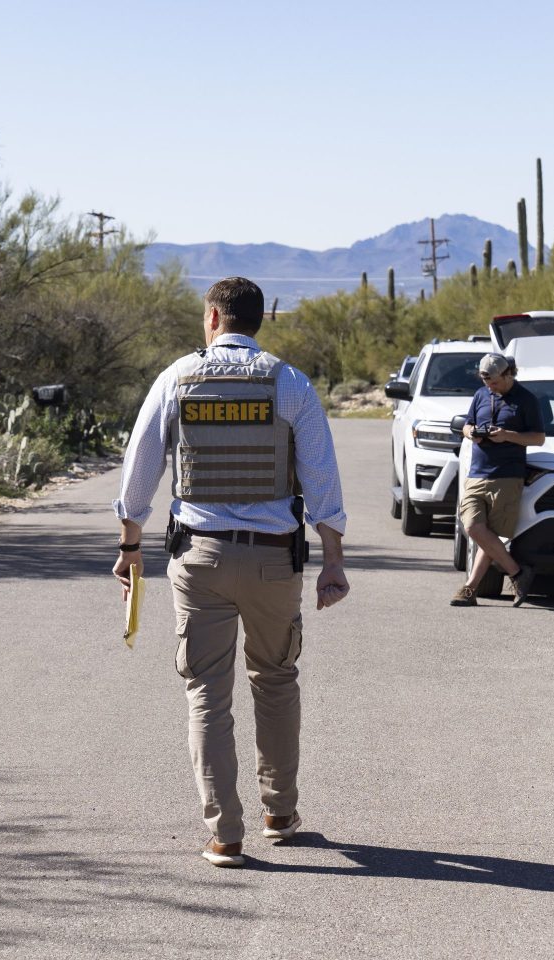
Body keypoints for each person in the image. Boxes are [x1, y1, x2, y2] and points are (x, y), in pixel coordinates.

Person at [112, 276, 350, 868]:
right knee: (275, 678)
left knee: (206, 694)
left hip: (200, 559)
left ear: (214, 318)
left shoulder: (177, 378)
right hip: (274, 560)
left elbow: (141, 466)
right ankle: (280, 811)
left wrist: (130, 542)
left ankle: (226, 834)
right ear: (259, 320)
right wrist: (334, 561)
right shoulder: (289, 382)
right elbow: (321, 475)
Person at [450, 352, 545, 608]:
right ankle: (517, 572)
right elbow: (466, 425)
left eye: (494, 382)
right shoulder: (481, 395)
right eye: (486, 382)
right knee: (472, 527)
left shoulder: (526, 400)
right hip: (477, 472)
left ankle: (470, 589)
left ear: (508, 374)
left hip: (507, 476)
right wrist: (472, 433)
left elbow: (538, 438)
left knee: (488, 535)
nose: (490, 387)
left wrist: (507, 435)